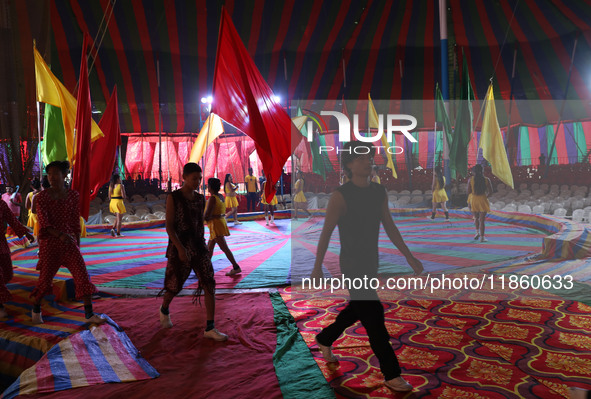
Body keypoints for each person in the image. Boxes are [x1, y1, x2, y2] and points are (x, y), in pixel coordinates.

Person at [310, 141, 424, 393]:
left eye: (369, 157)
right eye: (361, 158)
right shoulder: (341, 196)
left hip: (371, 263)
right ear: (349, 164)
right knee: (374, 316)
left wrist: (409, 256)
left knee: (358, 307)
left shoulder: (378, 192)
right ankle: (391, 373)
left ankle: (325, 338)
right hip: (351, 265)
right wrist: (317, 266)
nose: (367, 161)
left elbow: (390, 226)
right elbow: (326, 233)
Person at [158, 163, 227, 341]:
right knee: (175, 284)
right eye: (194, 178)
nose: (197, 182)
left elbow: (199, 224)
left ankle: (210, 327)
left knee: (208, 281)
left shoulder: (200, 198)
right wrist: (180, 249)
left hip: (198, 246)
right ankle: (164, 308)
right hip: (179, 246)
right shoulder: (173, 197)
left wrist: (203, 246)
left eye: (199, 178)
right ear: (184, 177)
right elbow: (169, 227)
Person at [31, 161, 105, 325]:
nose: (52, 178)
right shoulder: (42, 197)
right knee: (45, 281)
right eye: (49, 174)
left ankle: (89, 313)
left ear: (64, 175)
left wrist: (77, 245)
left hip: (69, 243)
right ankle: (36, 308)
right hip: (50, 243)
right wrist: (60, 235)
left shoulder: (73, 196)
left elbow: (74, 222)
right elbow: (44, 222)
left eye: (55, 173)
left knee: (82, 275)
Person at [0, 200, 34, 319]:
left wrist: (26, 234)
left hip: (1, 244)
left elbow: (13, 220)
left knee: (7, 273)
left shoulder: (1, 204)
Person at [204, 178, 241, 276]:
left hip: (216, 225)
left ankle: (236, 267)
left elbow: (207, 215)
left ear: (210, 187)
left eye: (208, 185)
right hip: (219, 223)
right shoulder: (221, 196)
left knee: (224, 248)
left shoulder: (212, 198)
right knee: (209, 248)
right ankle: (205, 268)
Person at [467, 164, 493, 242]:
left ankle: (477, 232)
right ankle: (482, 237)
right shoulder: (487, 179)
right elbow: (491, 192)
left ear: (474, 171)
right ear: (482, 171)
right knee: (482, 220)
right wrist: (485, 197)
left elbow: (468, 192)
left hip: (474, 199)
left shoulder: (471, 180)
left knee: (476, 218)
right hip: (483, 199)